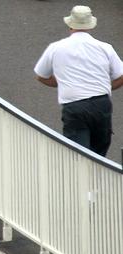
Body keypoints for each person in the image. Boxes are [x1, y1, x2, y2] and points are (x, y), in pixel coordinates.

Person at [34, 5, 123, 156]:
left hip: (74, 105)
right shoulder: (105, 47)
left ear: (70, 24)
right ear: (90, 26)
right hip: (101, 104)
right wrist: (104, 86)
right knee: (99, 154)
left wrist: (62, 82)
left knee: (78, 154)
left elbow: (41, 75)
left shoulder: (56, 48)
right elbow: (121, 76)